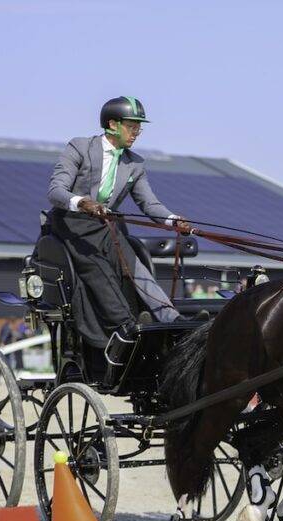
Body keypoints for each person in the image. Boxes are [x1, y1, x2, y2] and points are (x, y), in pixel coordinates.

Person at [47, 96, 187, 349]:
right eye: (131, 127)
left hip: (105, 226)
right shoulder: (79, 147)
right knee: (97, 268)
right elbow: (56, 191)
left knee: (136, 269)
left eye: (139, 128)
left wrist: (173, 220)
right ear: (112, 124)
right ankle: (126, 326)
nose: (136, 133)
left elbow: (149, 204)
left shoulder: (135, 164)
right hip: (71, 224)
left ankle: (173, 320)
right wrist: (83, 203)